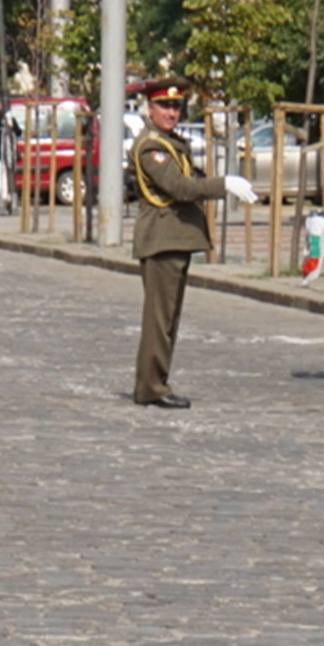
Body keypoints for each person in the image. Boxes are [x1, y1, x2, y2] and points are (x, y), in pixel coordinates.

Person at [126, 76, 256, 407]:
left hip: (173, 239)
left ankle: (154, 382)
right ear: (150, 108)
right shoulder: (151, 147)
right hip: (162, 239)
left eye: (176, 106)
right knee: (160, 319)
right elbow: (180, 188)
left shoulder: (169, 142)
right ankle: (151, 387)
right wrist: (222, 183)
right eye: (165, 106)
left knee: (167, 318)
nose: (172, 112)